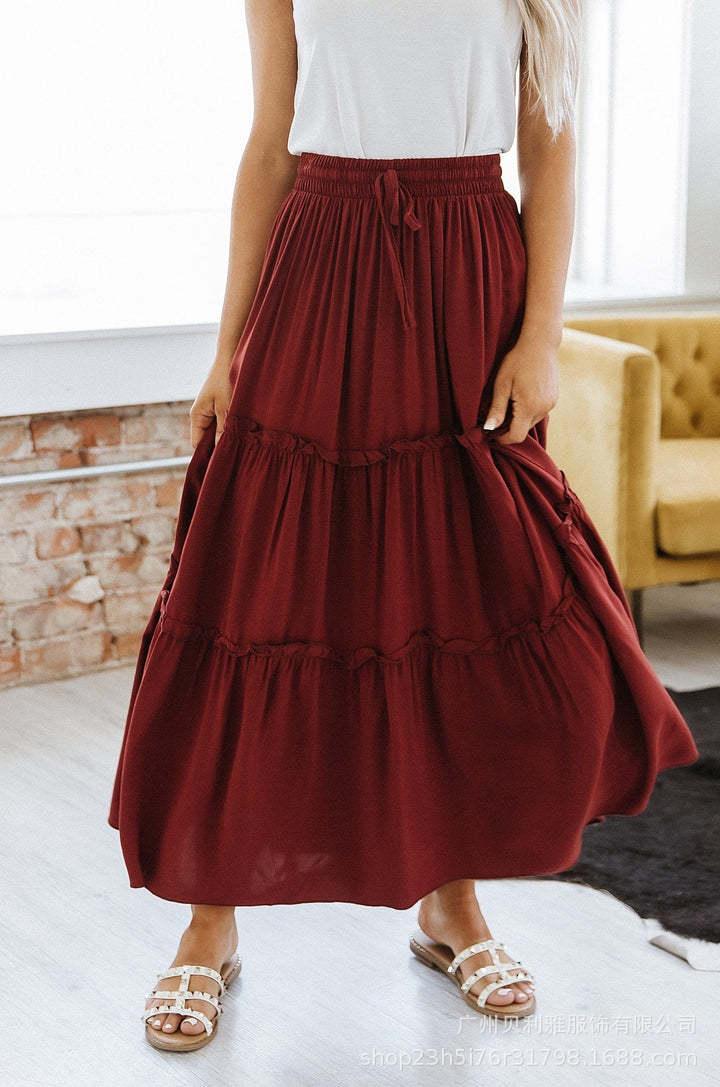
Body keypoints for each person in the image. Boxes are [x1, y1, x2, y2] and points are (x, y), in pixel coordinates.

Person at [108, 0, 699, 1049]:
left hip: (469, 275)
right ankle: (208, 921)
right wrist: (227, 349)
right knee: (257, 589)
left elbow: (551, 151)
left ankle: (451, 904)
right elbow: (270, 146)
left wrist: (542, 337)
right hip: (317, 265)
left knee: (462, 592)